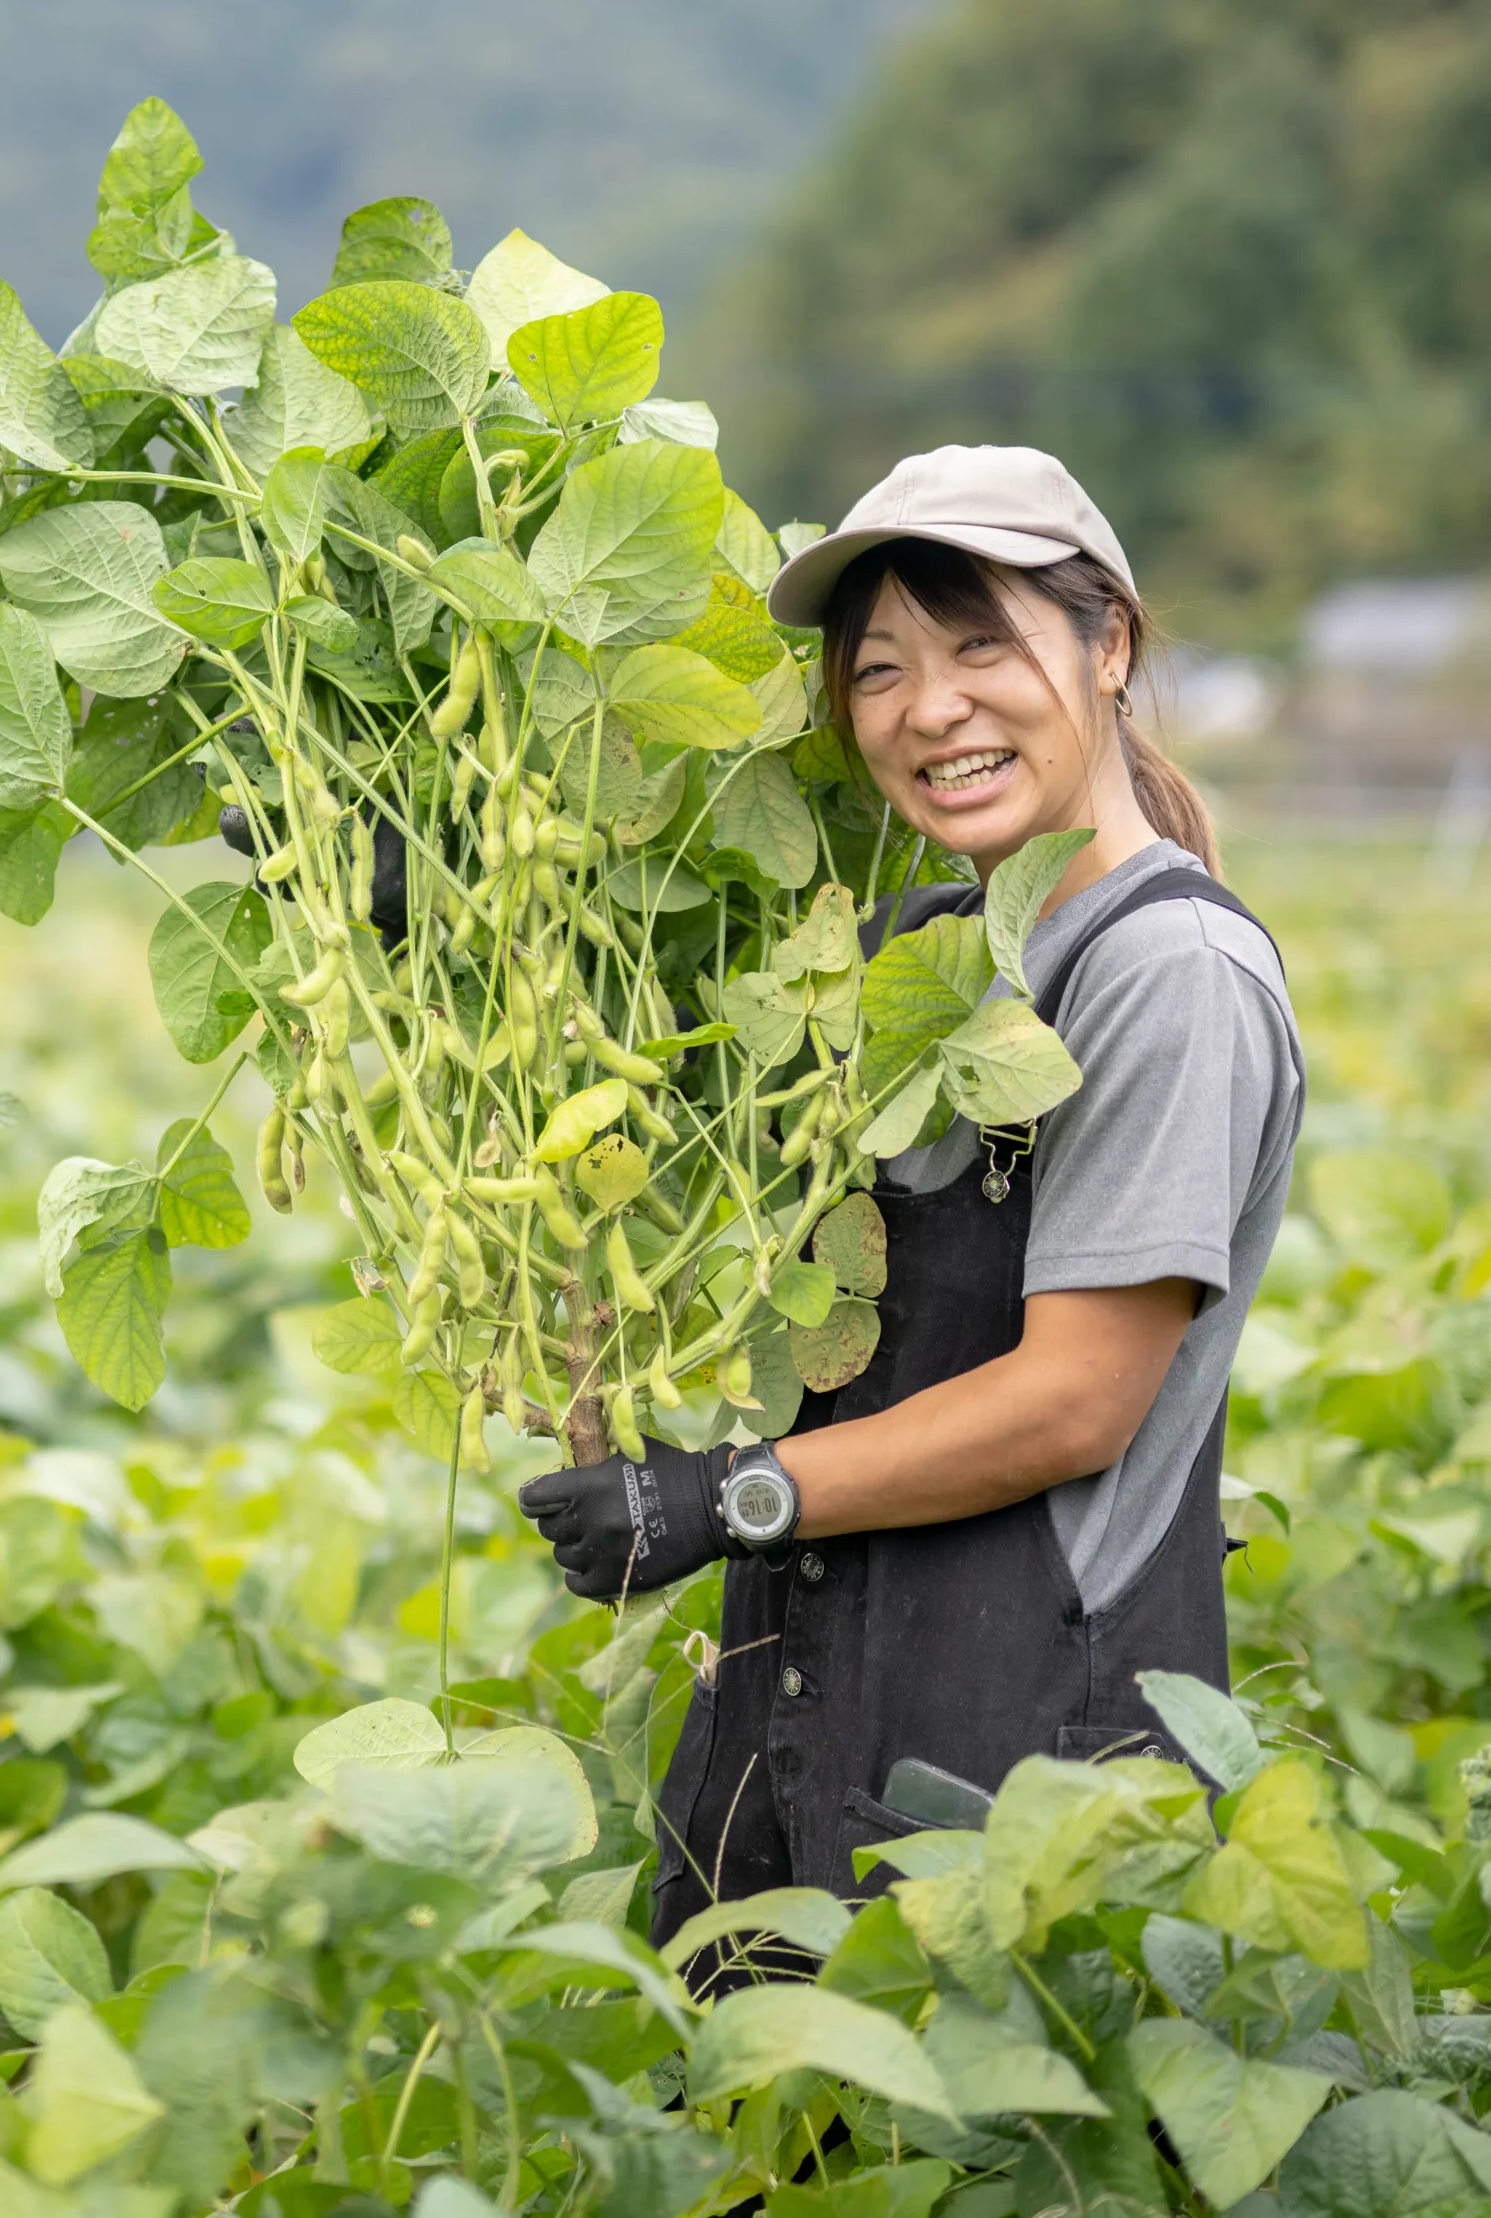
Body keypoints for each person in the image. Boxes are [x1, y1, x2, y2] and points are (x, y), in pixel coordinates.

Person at [512, 444, 1305, 1943]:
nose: (929, 708)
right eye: (878, 670)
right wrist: (459, 926)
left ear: (1109, 642)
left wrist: (725, 1494)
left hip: (1026, 1787)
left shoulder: (1166, 975)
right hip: (795, 1727)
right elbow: (674, 1095)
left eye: (981, 644)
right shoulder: (925, 940)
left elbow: (1076, 1401)